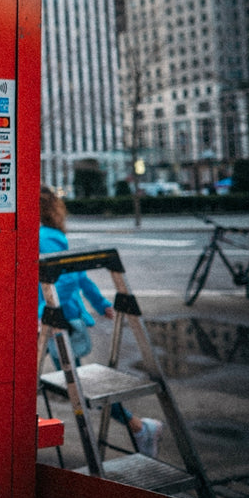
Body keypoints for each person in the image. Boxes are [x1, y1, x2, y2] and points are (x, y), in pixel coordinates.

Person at [38, 185, 164, 458]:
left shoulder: (42, 237)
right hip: (53, 318)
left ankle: (139, 426)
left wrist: (43, 312)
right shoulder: (52, 234)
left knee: (78, 387)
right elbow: (77, 274)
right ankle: (139, 427)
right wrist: (100, 303)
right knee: (69, 384)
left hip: (56, 321)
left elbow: (68, 279)